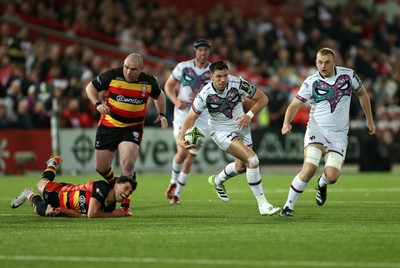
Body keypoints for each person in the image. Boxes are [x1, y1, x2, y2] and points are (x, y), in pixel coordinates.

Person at [279, 48, 376, 217]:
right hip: (316, 129)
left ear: (335, 62)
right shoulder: (311, 82)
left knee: (332, 177)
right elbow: (295, 105)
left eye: (326, 62)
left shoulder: (348, 75)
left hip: (338, 134)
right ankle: (288, 207)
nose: (322, 66)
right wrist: (286, 123)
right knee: (309, 168)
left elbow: (363, 94)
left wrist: (369, 120)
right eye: (319, 62)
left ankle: (322, 184)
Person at [178, 60, 280, 216]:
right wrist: (180, 139)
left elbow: (263, 98)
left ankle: (217, 180)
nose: (223, 80)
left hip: (242, 126)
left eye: (225, 75)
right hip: (221, 131)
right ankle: (263, 205)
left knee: (241, 167)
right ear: (211, 76)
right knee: (252, 160)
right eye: (218, 76)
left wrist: (249, 115)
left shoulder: (238, 83)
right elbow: (190, 118)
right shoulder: (204, 94)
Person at [85, 53, 168, 212]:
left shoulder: (149, 82)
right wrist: (97, 103)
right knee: (101, 168)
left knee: (128, 165)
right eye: (126, 67)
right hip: (109, 124)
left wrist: (162, 114)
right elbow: (90, 87)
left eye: (133, 69)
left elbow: (159, 96)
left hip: (133, 127)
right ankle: (117, 183)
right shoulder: (112, 75)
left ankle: (124, 206)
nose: (128, 72)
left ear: (141, 69)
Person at [164, 39, 212, 205]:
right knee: (183, 151)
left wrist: (202, 98)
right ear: (195, 51)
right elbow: (168, 86)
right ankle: (172, 181)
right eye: (200, 50)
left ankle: (176, 194)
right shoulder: (183, 67)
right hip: (182, 115)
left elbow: (216, 94)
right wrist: (175, 101)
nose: (203, 53)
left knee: (190, 157)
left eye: (205, 50)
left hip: (201, 118)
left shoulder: (213, 72)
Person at [10, 156, 137, 218]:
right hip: (59, 193)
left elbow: (81, 215)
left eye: (129, 192)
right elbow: (92, 214)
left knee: (44, 211)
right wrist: (114, 215)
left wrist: (64, 212)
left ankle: (29, 195)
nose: (127, 193)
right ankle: (52, 163)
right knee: (41, 183)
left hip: (64, 201)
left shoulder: (110, 206)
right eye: (126, 188)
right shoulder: (102, 187)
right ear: (116, 185)